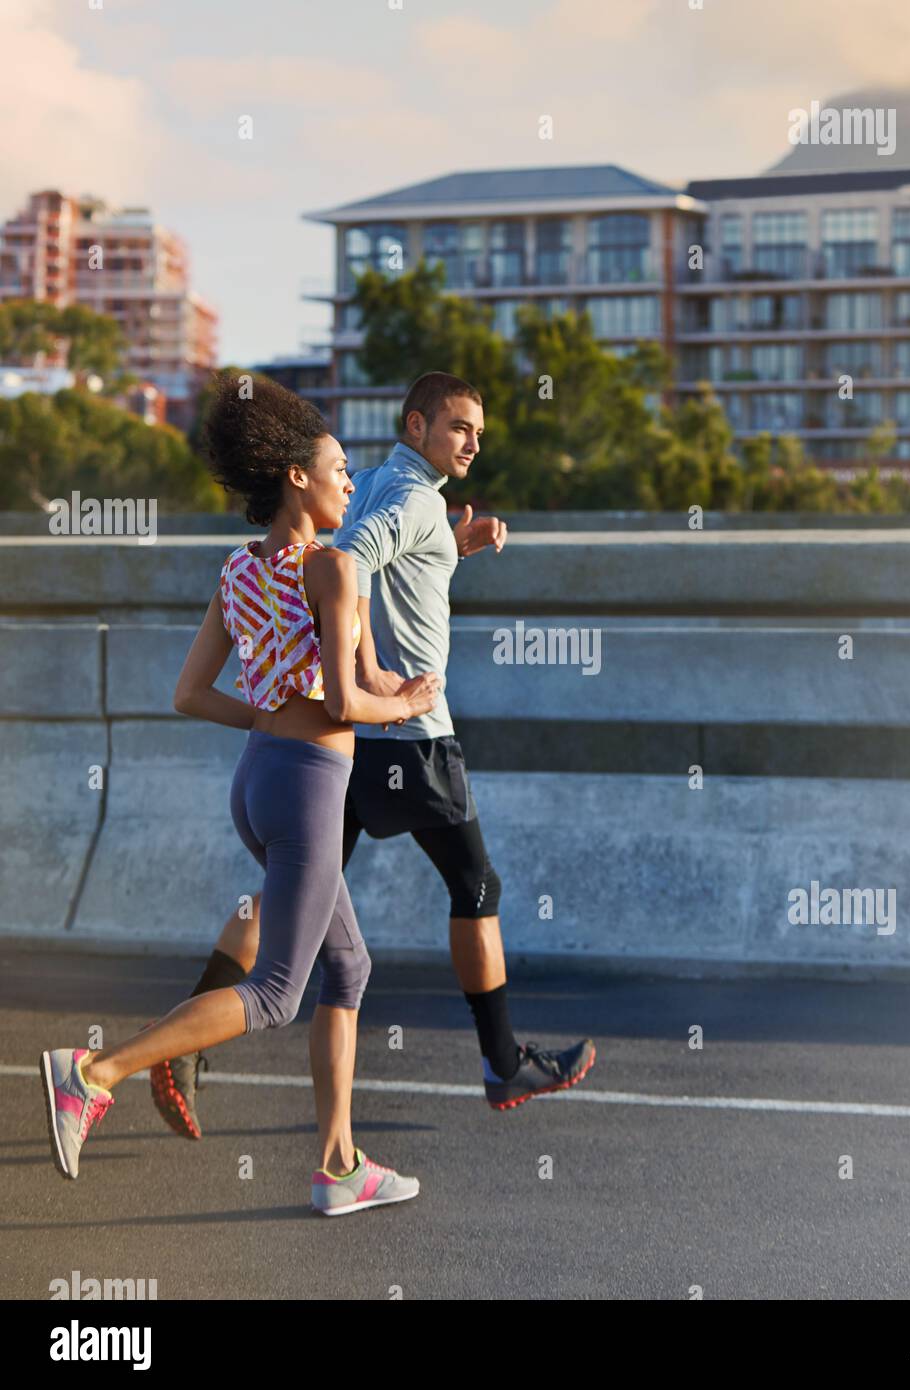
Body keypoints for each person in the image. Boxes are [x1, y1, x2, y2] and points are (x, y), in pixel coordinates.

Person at [151, 371, 594, 1139]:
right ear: (416, 424)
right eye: (460, 427)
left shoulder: (381, 486)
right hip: (408, 733)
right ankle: (499, 1062)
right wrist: (374, 680)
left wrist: (452, 546)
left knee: (299, 891)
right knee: (475, 883)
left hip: (340, 744)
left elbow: (367, 559)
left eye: (478, 432)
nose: (473, 443)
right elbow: (347, 563)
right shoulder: (408, 496)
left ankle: (186, 1047)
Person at [40, 372, 439, 1216]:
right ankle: (94, 1072)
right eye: (337, 468)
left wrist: (271, 709)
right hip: (306, 790)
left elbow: (190, 693)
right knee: (275, 994)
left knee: (349, 965)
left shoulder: (238, 570)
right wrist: (402, 703)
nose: (347, 480)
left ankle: (338, 1167)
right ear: (296, 476)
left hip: (258, 779)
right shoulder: (331, 569)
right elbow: (341, 703)